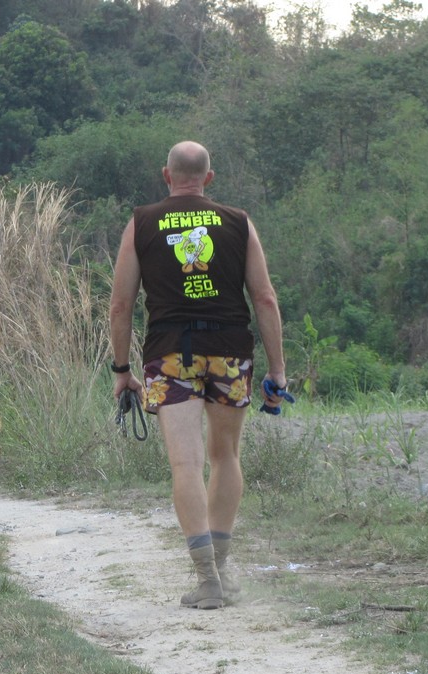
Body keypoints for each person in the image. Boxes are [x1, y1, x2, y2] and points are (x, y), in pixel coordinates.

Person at [109, 141, 287, 610]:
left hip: (170, 355)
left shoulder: (142, 222)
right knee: (225, 456)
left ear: (166, 175)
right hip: (230, 353)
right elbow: (265, 298)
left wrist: (122, 370)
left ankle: (208, 580)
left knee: (186, 465)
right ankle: (222, 571)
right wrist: (278, 370)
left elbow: (121, 305)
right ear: (208, 178)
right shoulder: (238, 222)